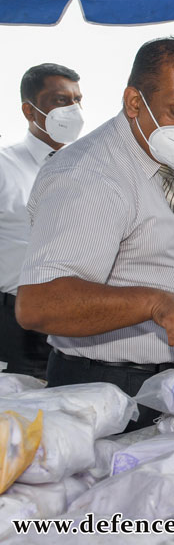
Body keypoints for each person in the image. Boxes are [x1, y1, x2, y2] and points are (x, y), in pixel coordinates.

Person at [15, 38, 174, 429]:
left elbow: (170, 254)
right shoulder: (89, 175)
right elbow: (39, 304)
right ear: (134, 102)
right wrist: (155, 303)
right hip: (110, 385)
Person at [0, 63, 83, 379]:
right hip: (16, 332)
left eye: (77, 100)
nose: (73, 109)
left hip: (78, 330)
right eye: (61, 100)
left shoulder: (85, 170)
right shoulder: (4, 168)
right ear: (29, 110)